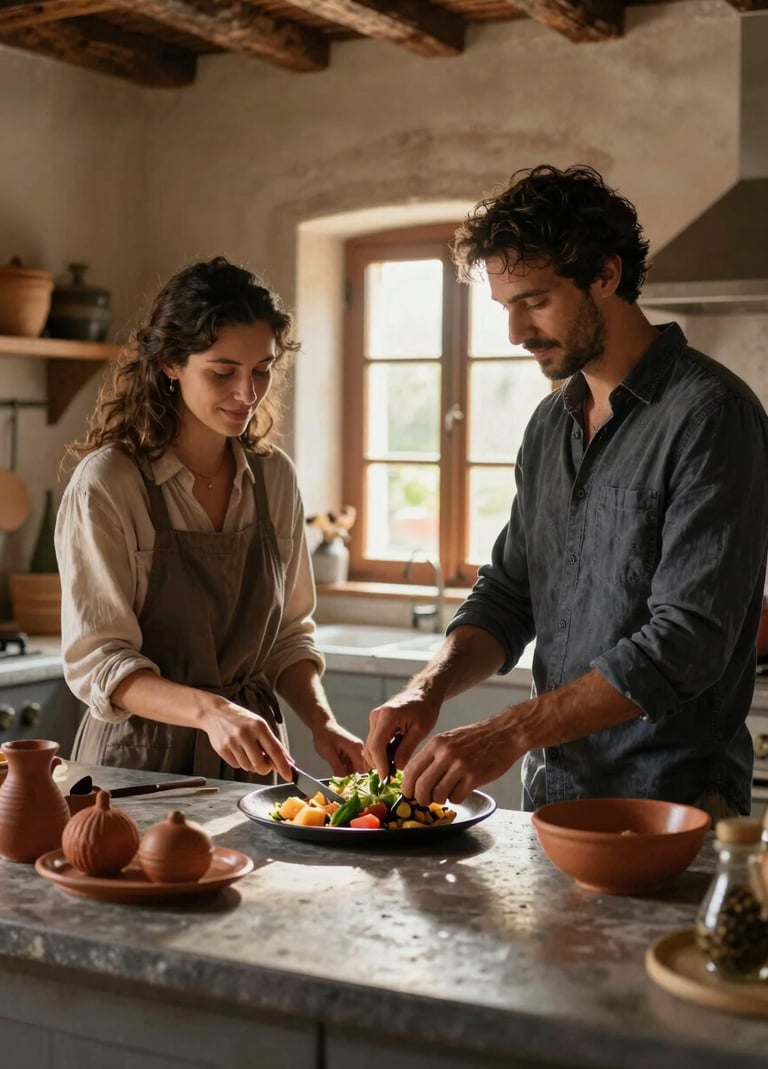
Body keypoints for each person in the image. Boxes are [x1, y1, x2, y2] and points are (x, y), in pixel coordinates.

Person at [364, 164, 768, 822]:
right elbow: (509, 594)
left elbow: (686, 640)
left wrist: (508, 730)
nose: (515, 332)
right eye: (505, 307)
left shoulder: (711, 416)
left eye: (536, 300)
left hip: (670, 809)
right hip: (549, 804)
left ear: (606, 274)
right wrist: (426, 689)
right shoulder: (550, 424)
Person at [56, 256, 366, 782]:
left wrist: (322, 723)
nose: (247, 393)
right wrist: (210, 712)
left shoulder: (274, 479)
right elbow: (100, 661)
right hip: (134, 768)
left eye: (262, 371)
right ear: (171, 362)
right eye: (223, 372)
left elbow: (289, 635)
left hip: (252, 762)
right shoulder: (109, 483)